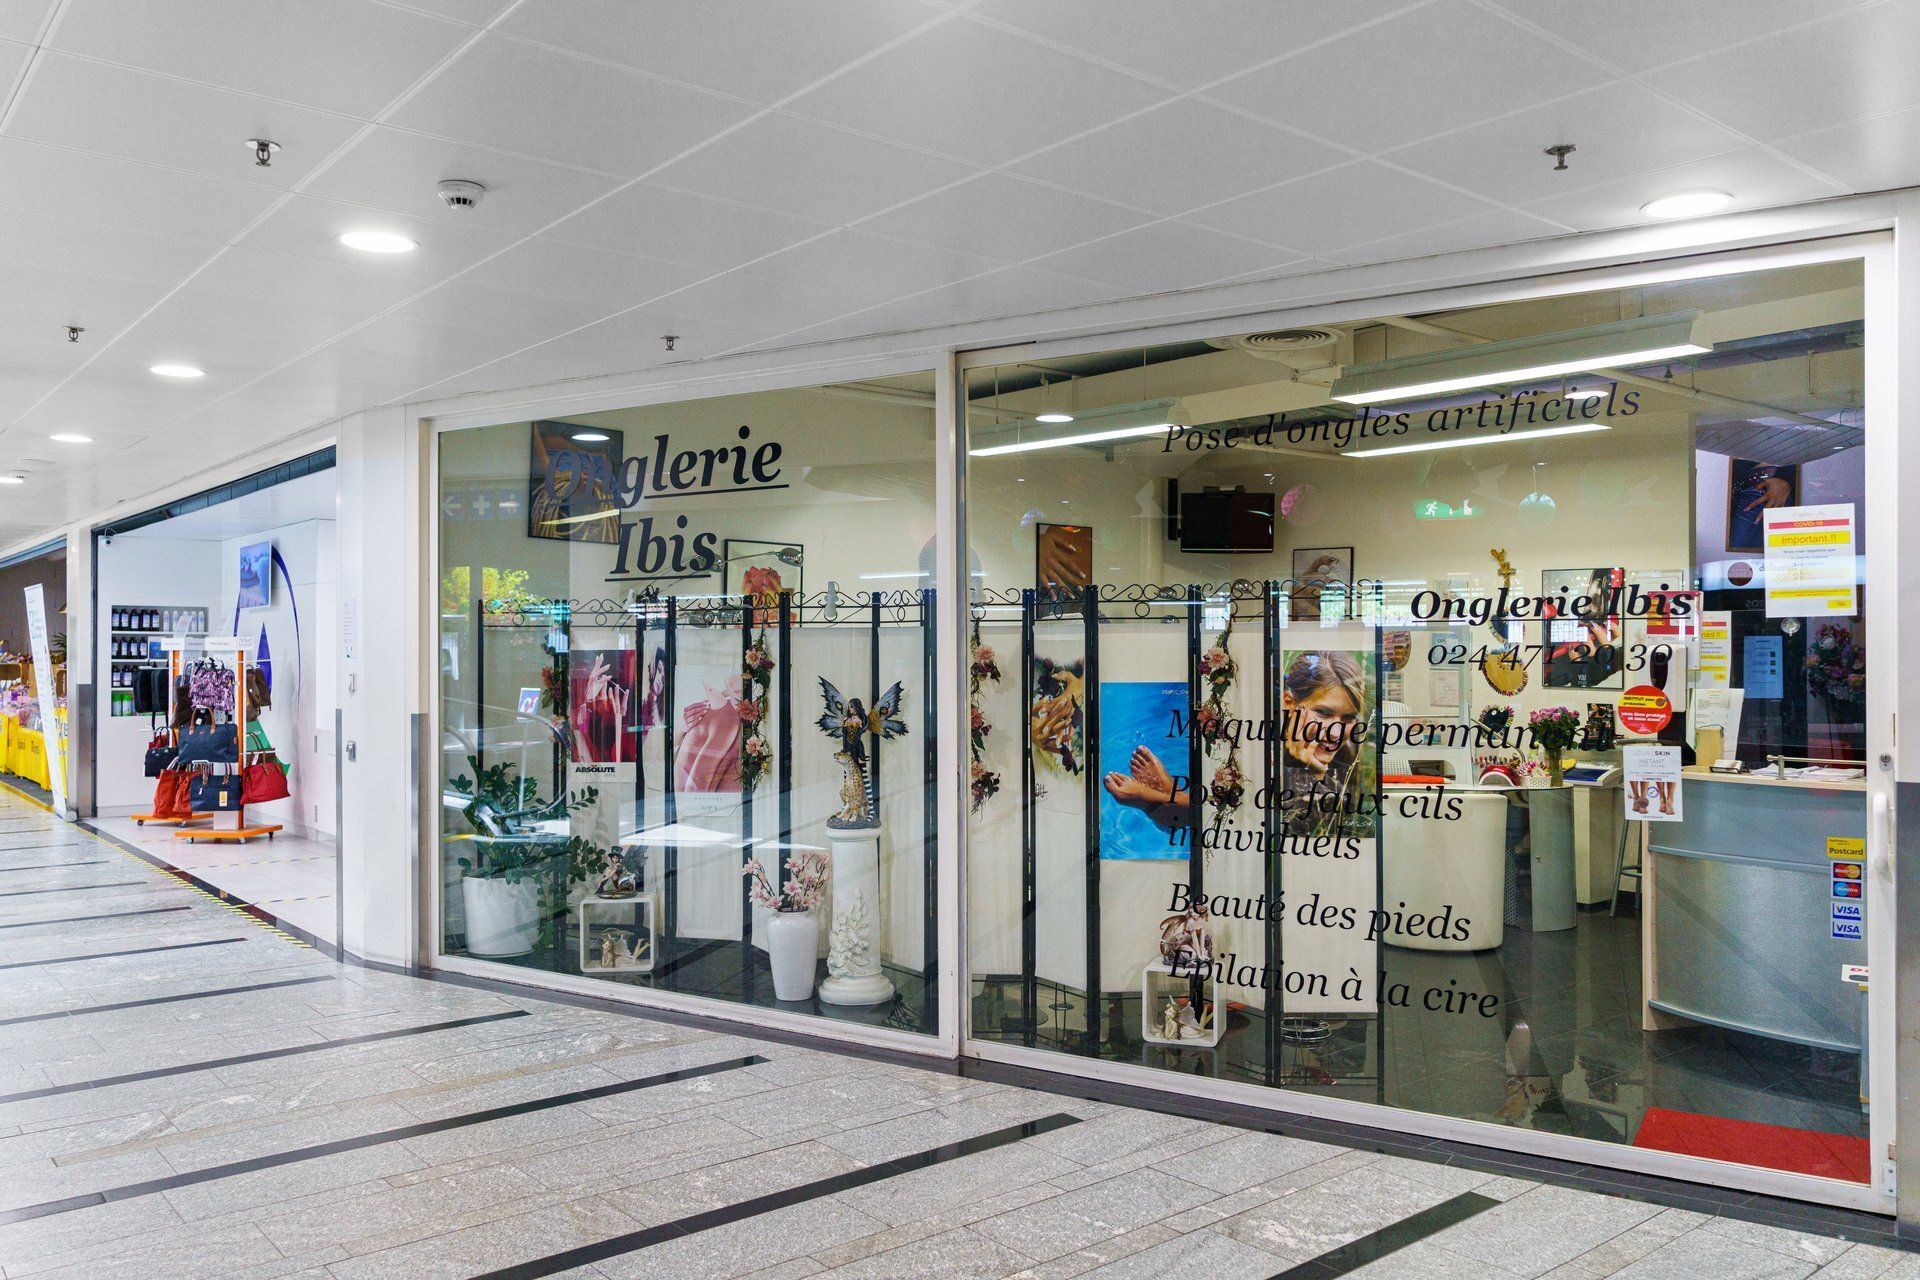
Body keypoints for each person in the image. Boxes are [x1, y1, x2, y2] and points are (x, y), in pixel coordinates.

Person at [1280, 650, 1369, 837]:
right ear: (1289, 703)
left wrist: (1319, 776)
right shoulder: (1265, 760)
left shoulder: (1349, 762)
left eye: (1348, 718)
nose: (1335, 733)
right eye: (1323, 713)